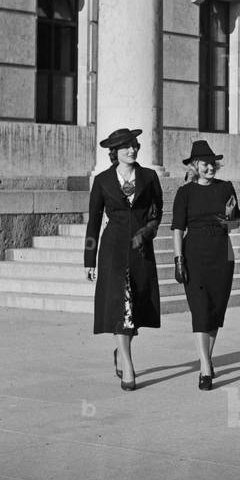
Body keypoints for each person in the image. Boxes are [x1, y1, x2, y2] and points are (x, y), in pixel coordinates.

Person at [84, 127, 162, 392]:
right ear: (114, 152)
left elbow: (156, 213)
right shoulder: (103, 181)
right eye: (127, 146)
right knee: (120, 305)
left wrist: (147, 232)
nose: (133, 150)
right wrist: (89, 259)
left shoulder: (149, 177)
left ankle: (120, 351)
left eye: (135, 145)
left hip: (140, 249)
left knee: (134, 306)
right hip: (113, 250)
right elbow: (93, 222)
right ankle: (128, 366)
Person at [171, 140, 240, 390]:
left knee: (214, 311)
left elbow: (236, 224)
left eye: (213, 163)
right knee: (200, 311)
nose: (210, 168)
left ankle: (207, 359)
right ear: (195, 166)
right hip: (194, 255)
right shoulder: (185, 192)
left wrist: (231, 217)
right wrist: (178, 260)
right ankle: (204, 367)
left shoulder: (226, 188)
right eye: (205, 164)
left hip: (222, 254)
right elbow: (178, 229)